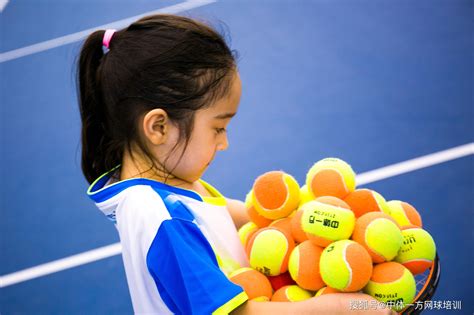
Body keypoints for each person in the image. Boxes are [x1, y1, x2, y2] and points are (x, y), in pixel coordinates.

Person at [77, 14, 394, 315]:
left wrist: (314, 219)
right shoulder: (159, 216)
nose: (224, 143)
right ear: (159, 127)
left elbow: (236, 215)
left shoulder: (169, 183)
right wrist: (334, 308)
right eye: (218, 128)